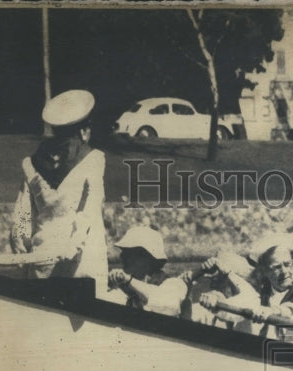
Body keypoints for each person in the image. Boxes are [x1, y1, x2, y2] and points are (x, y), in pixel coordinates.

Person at [10, 89, 108, 294]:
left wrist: (21, 251)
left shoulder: (31, 163)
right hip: (80, 264)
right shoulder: (94, 159)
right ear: (84, 130)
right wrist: (72, 247)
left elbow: (21, 217)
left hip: (41, 259)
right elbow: (90, 210)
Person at [106, 226, 186, 316]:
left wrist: (129, 281)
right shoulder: (120, 287)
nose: (122, 256)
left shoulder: (174, 284)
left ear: (146, 258)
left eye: (129, 253)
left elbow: (169, 306)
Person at [189, 251, 259, 333]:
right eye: (214, 279)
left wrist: (229, 274)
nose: (214, 284)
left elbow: (250, 296)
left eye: (221, 279)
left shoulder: (253, 306)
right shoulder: (205, 306)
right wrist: (199, 272)